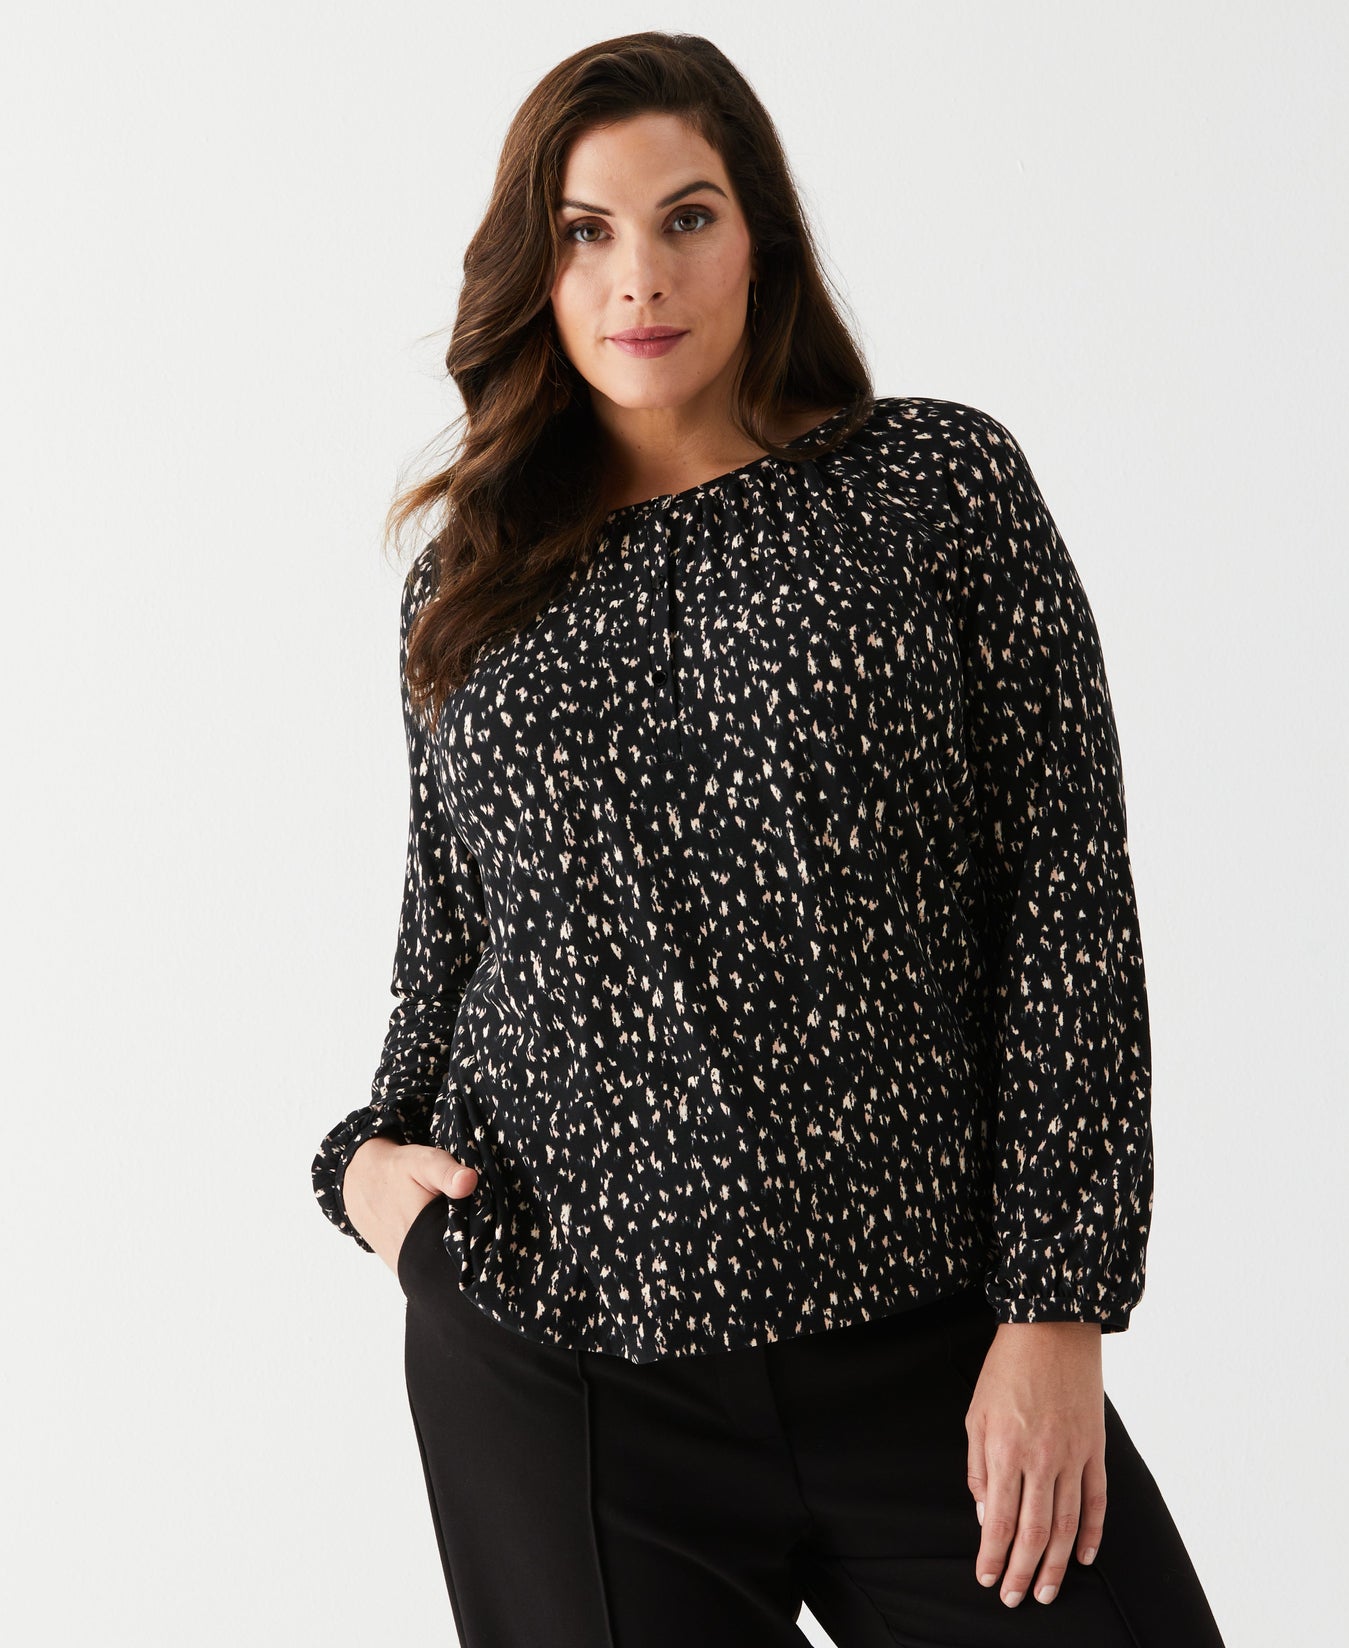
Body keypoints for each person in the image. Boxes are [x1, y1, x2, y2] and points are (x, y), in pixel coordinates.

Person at [311, 30, 1228, 1648]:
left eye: (688, 217)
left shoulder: (931, 489)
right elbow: (450, 931)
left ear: (761, 240)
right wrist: (370, 1175)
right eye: (585, 231)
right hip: (565, 1370)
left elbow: (1064, 902)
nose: (639, 276)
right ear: (534, 269)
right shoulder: (469, 583)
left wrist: (1057, 1309)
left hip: (928, 1345)